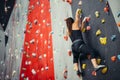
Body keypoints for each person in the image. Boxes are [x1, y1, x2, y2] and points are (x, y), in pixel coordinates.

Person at [65, 9, 105, 76]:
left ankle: (77, 70)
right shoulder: (75, 24)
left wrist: (83, 22)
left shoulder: (68, 30)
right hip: (79, 44)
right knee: (91, 51)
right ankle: (95, 65)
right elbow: (77, 15)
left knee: (75, 59)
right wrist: (78, 10)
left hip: (73, 47)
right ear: (72, 21)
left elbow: (80, 30)